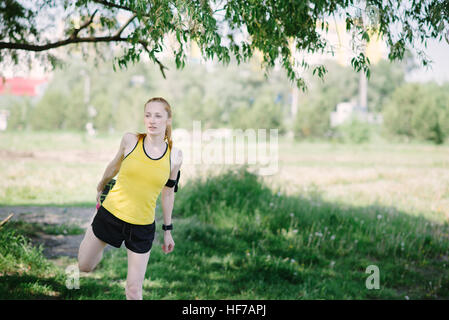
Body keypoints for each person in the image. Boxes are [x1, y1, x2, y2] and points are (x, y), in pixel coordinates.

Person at [77, 97, 183, 300]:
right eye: (148, 115)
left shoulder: (175, 156)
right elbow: (113, 166)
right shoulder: (131, 140)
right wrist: (100, 186)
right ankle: (96, 235)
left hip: (142, 227)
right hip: (111, 215)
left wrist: (168, 230)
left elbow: (168, 193)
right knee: (85, 266)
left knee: (134, 290)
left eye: (158, 116)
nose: (152, 120)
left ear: (168, 120)